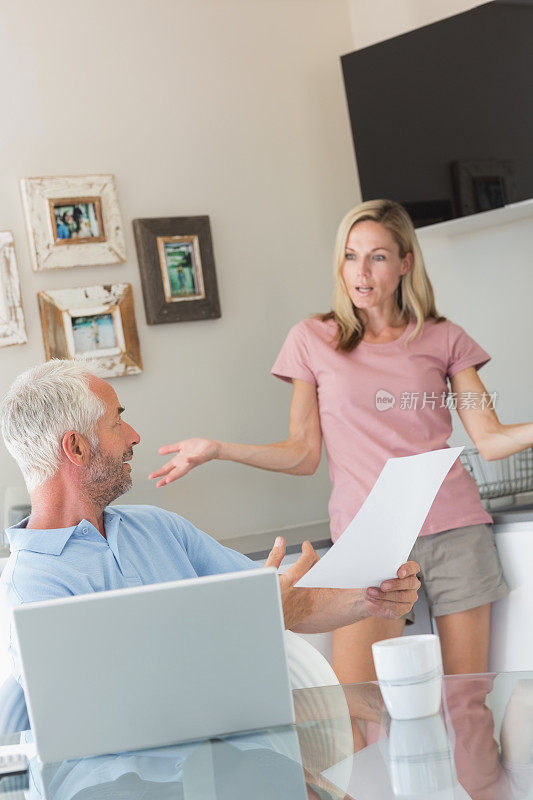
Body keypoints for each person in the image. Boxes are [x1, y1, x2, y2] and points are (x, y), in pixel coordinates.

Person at [148, 198, 533, 683]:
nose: (362, 271)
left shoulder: (444, 339)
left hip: (455, 527)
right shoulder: (312, 340)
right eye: (351, 256)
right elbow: (303, 453)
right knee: (358, 705)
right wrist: (219, 449)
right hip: (369, 539)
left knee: (470, 702)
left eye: (377, 256)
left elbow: (490, 435)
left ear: (404, 263)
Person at [0, 359, 420, 731]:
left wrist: (371, 600)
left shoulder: (156, 527)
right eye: (117, 420)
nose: (134, 435)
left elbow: (284, 601)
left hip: (233, 757)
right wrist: (253, 620)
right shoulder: (34, 586)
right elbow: (119, 713)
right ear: (75, 447)